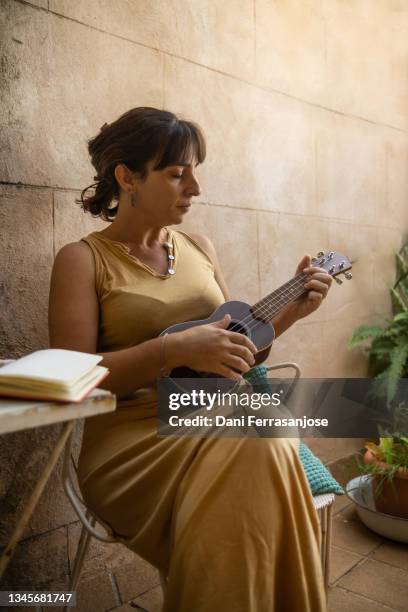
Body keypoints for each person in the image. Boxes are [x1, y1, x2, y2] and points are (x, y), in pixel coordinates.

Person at [48, 107, 332, 611]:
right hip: (133, 440)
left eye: (194, 173)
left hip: (223, 415)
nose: (195, 188)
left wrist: (292, 315)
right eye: (178, 174)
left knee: (261, 435)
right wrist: (171, 350)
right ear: (127, 176)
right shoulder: (82, 259)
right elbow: (70, 379)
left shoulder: (200, 247)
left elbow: (236, 350)